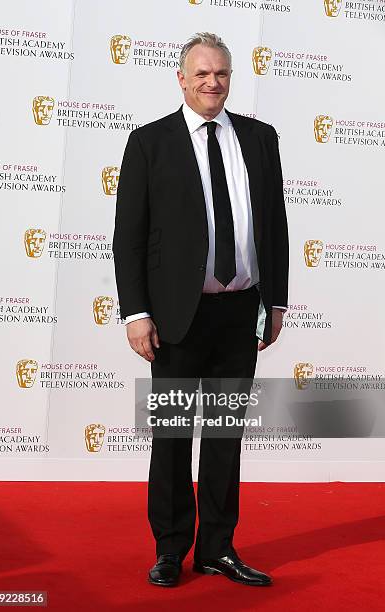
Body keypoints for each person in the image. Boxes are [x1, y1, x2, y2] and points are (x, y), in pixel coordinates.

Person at [113, 32, 289, 587]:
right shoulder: (150, 143)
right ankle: (169, 549)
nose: (213, 82)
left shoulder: (260, 139)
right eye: (203, 73)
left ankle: (217, 547)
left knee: (224, 437)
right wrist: (136, 312)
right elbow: (129, 238)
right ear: (182, 78)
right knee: (170, 436)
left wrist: (276, 298)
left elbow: (275, 225)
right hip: (174, 318)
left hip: (240, 313)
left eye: (223, 74)